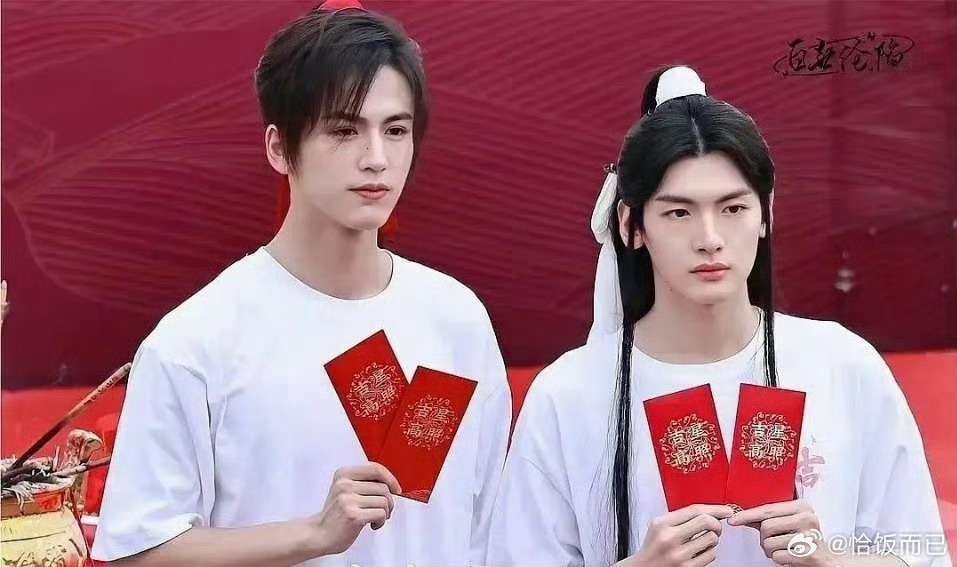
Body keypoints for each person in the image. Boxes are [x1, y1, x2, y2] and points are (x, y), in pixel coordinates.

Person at [91, 3, 511, 566]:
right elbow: (136, 552)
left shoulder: (457, 319)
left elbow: (492, 531)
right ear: (278, 147)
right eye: (344, 130)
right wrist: (313, 536)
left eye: (395, 130)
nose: (376, 159)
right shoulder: (198, 342)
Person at [486, 65, 950, 567]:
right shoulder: (568, 394)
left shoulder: (842, 365)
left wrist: (832, 561)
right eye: (678, 213)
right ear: (630, 225)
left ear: (766, 213)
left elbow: (922, 553)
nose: (709, 238)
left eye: (732, 209)